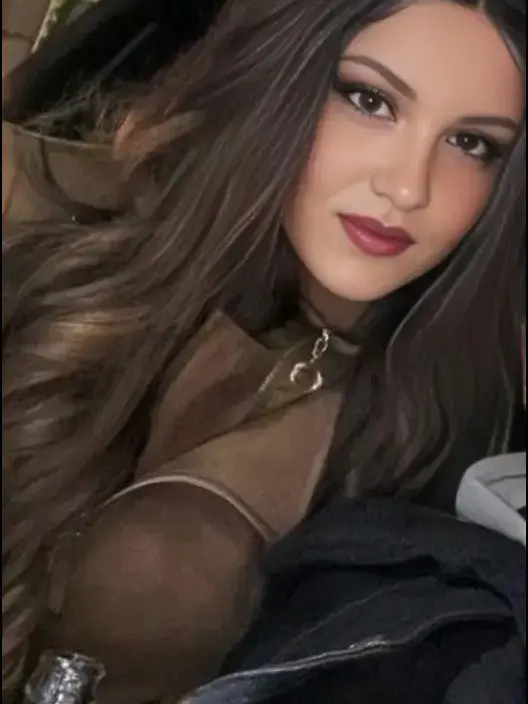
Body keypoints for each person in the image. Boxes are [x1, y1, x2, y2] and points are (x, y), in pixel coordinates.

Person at [2, 0, 525, 702]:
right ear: (281, 80)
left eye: (471, 143)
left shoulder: (451, 444)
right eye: (370, 101)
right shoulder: (61, 271)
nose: (407, 187)